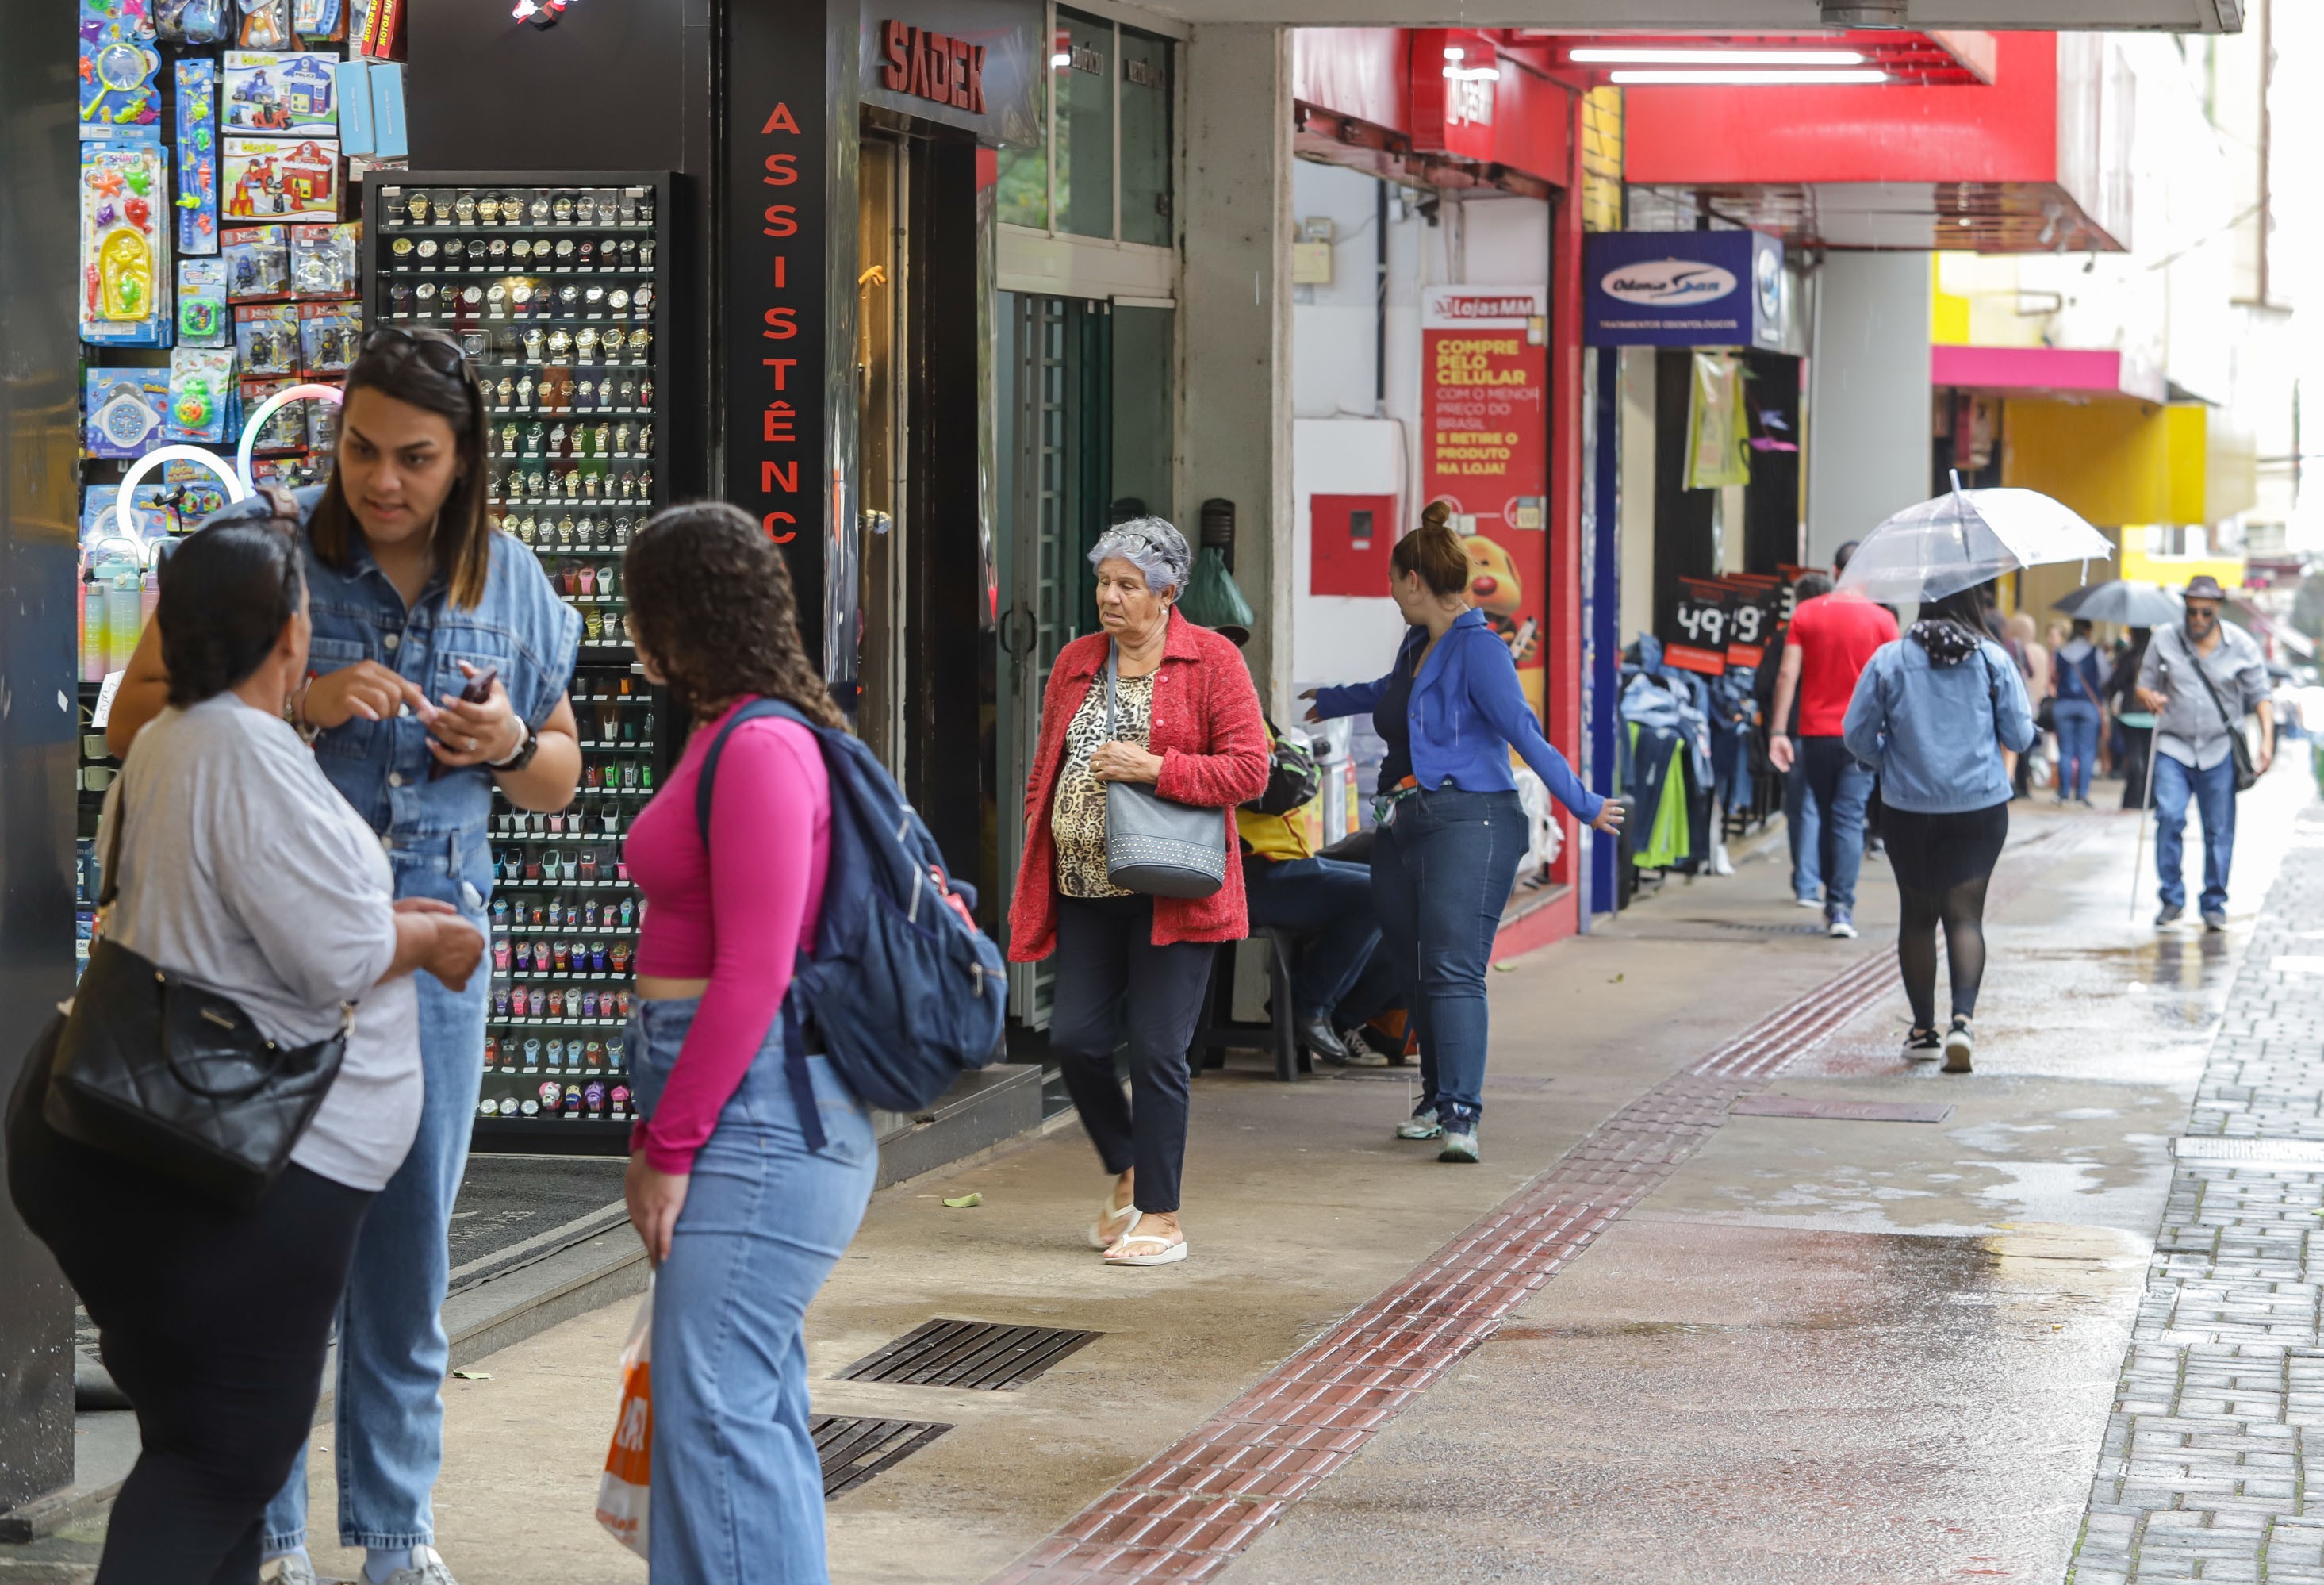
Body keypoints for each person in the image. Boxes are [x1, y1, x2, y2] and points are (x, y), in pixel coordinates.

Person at [107, 328, 581, 1585]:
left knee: (409, 1254)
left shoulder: (513, 581)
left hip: (426, 960)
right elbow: (133, 714)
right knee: (268, 1256)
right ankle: (267, 1533)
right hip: (264, 960)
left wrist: (502, 745)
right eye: (360, 449)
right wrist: (299, 701)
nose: (380, 480)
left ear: (464, 457)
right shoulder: (267, 562)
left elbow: (560, 773)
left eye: (413, 458)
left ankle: (395, 1530)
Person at [8, 519, 482, 1585]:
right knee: (224, 1457)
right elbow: (337, 952)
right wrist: (428, 936)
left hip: (121, 1132)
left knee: (202, 1445)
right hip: (231, 1152)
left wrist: (373, 919)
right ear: (288, 636)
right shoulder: (241, 747)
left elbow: (233, 920)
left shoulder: (176, 736)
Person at [614, 502, 876, 1583]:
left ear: (681, 614)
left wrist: (670, 1142)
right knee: (733, 1414)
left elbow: (756, 974)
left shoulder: (764, 744)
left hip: (760, 1123)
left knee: (717, 1417)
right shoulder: (735, 731)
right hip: (736, 1112)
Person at [1307, 503, 1623, 1164]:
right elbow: (1393, 691)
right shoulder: (1418, 643)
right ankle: (1431, 1099)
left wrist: (1584, 804)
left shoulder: (1482, 650)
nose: (1391, 595)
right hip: (1403, 822)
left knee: (1453, 967)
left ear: (1415, 580)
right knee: (1412, 963)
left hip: (1471, 821)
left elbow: (1524, 733)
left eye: (1394, 582)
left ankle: (1462, 1116)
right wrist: (1332, 699)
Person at [1007, 516, 1268, 1266]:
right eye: (1103, 582)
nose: (1109, 598)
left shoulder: (1212, 661)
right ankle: (1129, 1163)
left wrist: (1159, 769)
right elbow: (1045, 765)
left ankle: (1162, 1216)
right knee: (1076, 1040)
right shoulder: (1077, 662)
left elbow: (1251, 771)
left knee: (1157, 1050)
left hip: (1173, 890)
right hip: (1085, 885)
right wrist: (1042, 821)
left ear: (1167, 593)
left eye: (1128, 585)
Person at [1843, 584, 2034, 1075]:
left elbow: (1856, 734)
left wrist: (1885, 761)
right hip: (1980, 807)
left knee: (1918, 915)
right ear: (1973, 603)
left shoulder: (1889, 661)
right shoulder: (1993, 660)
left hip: (1908, 808)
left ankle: (1923, 1032)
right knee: (1965, 917)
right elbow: (2019, 733)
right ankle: (1963, 1023)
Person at [1768, 542, 1898, 940]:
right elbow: (1894, 681)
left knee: (1827, 816)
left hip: (1815, 735)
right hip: (1862, 738)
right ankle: (1840, 906)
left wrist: (1777, 732)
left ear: (1834, 569)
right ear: (1868, 574)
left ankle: (1832, 898)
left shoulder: (1807, 613)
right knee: (1847, 818)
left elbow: (1787, 675)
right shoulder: (1882, 621)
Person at [2137, 575, 2276, 930]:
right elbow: (2144, 683)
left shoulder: (2241, 645)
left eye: (2205, 612)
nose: (2197, 618)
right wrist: (2148, 697)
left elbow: (2261, 696)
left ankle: (2214, 903)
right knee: (2169, 817)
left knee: (2219, 829)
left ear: (2217, 610)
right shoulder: (2164, 639)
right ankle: (2172, 898)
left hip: (2218, 750)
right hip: (2174, 745)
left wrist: (2267, 741)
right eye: (2191, 611)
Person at [1762, 571, 1832, 908]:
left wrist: (1775, 727)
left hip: (1795, 732)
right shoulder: (1839, 633)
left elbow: (1766, 683)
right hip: (1837, 732)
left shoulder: (1786, 636)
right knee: (1837, 810)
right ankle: (1828, 884)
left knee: (1802, 808)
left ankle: (1806, 882)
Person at [2051, 617, 2106, 804]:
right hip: (2088, 706)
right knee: (2087, 751)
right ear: (2088, 631)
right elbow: (2105, 676)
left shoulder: (2061, 652)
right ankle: (2082, 793)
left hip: (2064, 704)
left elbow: (2055, 676)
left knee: (2065, 751)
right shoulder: (2095, 652)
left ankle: (2064, 792)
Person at [2108, 629, 2156, 808]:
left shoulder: (2128, 657)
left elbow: (2116, 682)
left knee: (2135, 756)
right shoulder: (2157, 658)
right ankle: (2148, 797)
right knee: (2148, 757)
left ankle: (2134, 796)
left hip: (2130, 714)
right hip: (2151, 714)